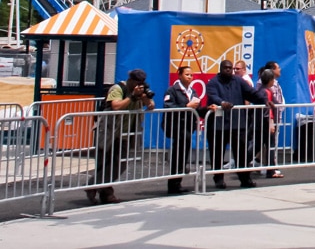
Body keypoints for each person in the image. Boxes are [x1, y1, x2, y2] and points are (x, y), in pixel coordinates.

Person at [89, 68, 155, 204]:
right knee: (105, 163)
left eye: (141, 82)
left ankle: (92, 186)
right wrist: (131, 96)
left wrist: (145, 98)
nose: (139, 85)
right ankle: (105, 194)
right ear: (130, 80)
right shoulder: (118, 88)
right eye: (137, 82)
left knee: (120, 164)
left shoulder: (140, 91)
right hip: (109, 131)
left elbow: (151, 106)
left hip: (125, 133)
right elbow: (116, 106)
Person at [205, 59, 267, 190]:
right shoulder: (213, 83)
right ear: (220, 69)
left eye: (230, 68)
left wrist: (264, 100)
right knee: (217, 154)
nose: (228, 70)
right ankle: (218, 179)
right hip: (218, 126)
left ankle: (245, 179)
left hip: (237, 124)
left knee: (241, 154)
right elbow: (213, 96)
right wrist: (222, 103)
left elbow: (251, 93)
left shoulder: (238, 81)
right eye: (225, 68)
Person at [163, 64, 202, 195]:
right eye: (187, 74)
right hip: (177, 127)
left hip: (188, 127)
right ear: (179, 75)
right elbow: (168, 106)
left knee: (183, 155)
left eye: (191, 75)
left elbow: (198, 107)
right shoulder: (172, 90)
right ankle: (173, 184)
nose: (189, 77)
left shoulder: (193, 91)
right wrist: (186, 106)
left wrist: (207, 108)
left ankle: (178, 182)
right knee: (177, 155)